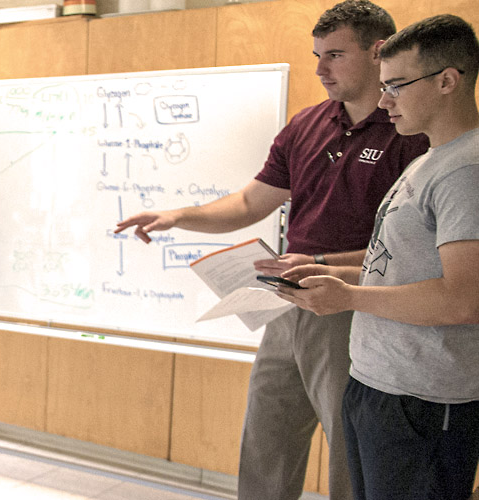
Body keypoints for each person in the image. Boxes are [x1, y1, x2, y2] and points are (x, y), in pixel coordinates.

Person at [113, 2, 429, 498]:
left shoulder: (410, 130)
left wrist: (325, 265)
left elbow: (410, 247)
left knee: (350, 441)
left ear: (379, 52)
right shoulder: (306, 126)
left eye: (335, 56)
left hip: (353, 303)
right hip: (286, 300)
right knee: (267, 434)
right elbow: (247, 203)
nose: (320, 69)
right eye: (317, 55)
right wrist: (177, 216)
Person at [278, 14, 479, 500]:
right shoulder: (427, 161)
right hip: (378, 382)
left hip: (424, 399)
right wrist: (327, 270)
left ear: (448, 81)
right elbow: (397, 263)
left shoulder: (466, 172)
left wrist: (348, 296)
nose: (384, 100)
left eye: (397, 86)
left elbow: (461, 299)